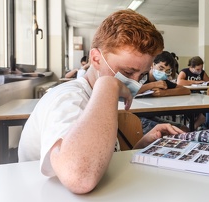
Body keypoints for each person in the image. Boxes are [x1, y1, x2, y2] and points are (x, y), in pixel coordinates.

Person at [18, 10, 184, 194]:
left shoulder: (98, 97)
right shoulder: (68, 98)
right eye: (128, 73)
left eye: (142, 75)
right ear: (96, 59)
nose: (136, 83)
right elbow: (79, 177)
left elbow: (98, 161)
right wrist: (109, 84)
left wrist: (143, 145)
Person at [137, 51, 191, 133]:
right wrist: (153, 84)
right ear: (152, 65)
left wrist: (165, 93)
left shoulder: (162, 81)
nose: (163, 73)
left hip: (149, 115)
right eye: (161, 68)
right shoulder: (141, 75)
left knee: (184, 129)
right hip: (136, 116)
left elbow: (186, 90)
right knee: (169, 132)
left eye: (167, 71)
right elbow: (131, 90)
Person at [177, 56, 209, 129]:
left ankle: (193, 126)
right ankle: (192, 125)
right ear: (191, 67)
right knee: (192, 110)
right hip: (186, 96)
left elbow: (208, 83)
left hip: (198, 96)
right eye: (198, 69)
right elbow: (179, 82)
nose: (200, 71)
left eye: (201, 68)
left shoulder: (202, 73)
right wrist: (195, 82)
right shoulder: (185, 72)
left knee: (206, 110)